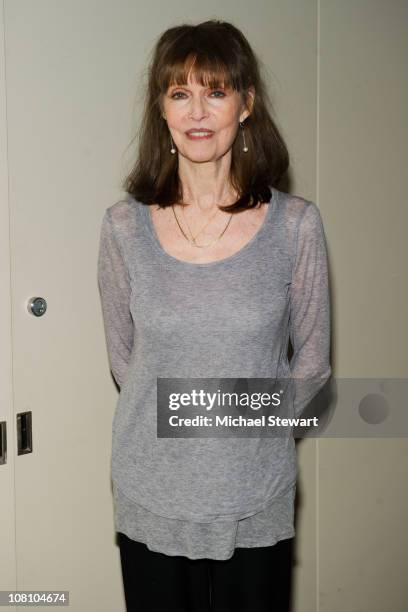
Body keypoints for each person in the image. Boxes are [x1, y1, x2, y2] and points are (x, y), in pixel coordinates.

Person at [97, 19, 331, 612]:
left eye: (216, 91)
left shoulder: (296, 225)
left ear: (246, 104)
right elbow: (128, 363)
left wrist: (224, 433)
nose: (197, 112)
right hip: (151, 489)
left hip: (255, 494)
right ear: (162, 109)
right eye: (180, 93)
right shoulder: (123, 228)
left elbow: (313, 366)